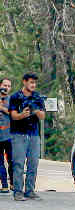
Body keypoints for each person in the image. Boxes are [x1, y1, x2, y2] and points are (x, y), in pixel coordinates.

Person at [8, 73, 44, 201]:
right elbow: (13, 116)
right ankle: (18, 191)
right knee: (18, 163)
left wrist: (35, 110)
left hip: (34, 135)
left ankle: (30, 190)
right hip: (18, 134)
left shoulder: (38, 97)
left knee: (33, 163)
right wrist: (22, 115)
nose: (33, 85)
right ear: (24, 82)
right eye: (31, 82)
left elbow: (42, 116)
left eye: (35, 83)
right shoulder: (15, 97)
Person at [0, 77, 11, 194]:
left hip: (9, 135)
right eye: (4, 85)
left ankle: (13, 183)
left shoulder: (12, 100)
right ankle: (4, 185)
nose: (6, 88)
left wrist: (2, 108)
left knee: (12, 161)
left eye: (8, 86)